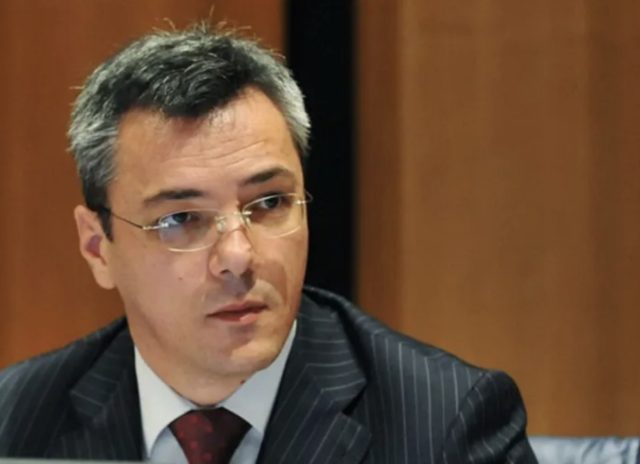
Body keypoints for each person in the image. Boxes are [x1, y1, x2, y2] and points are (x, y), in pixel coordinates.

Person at [0, 24, 537, 463]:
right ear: (98, 248)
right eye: (182, 218)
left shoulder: (445, 424)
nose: (238, 256)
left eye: (270, 203)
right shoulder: (14, 421)